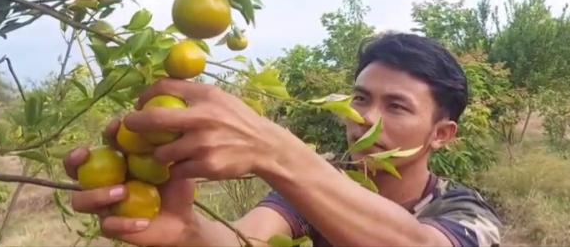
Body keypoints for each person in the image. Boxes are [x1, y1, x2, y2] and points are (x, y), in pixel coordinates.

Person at [64, 32, 502, 247]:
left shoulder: (463, 212)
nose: (366, 118)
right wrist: (188, 232)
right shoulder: (318, 186)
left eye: (397, 106)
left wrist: (275, 149)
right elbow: (247, 240)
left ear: (441, 135)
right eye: (361, 99)